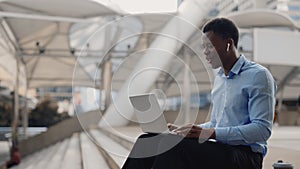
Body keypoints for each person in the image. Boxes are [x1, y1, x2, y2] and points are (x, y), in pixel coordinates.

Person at [122, 17, 276, 169]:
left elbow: (262, 130)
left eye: (210, 46)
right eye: (204, 47)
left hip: (246, 156)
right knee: (147, 141)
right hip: (221, 149)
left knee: (174, 148)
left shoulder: (258, 76)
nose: (205, 52)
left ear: (228, 44)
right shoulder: (220, 78)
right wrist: (187, 130)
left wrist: (208, 133)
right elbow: (216, 124)